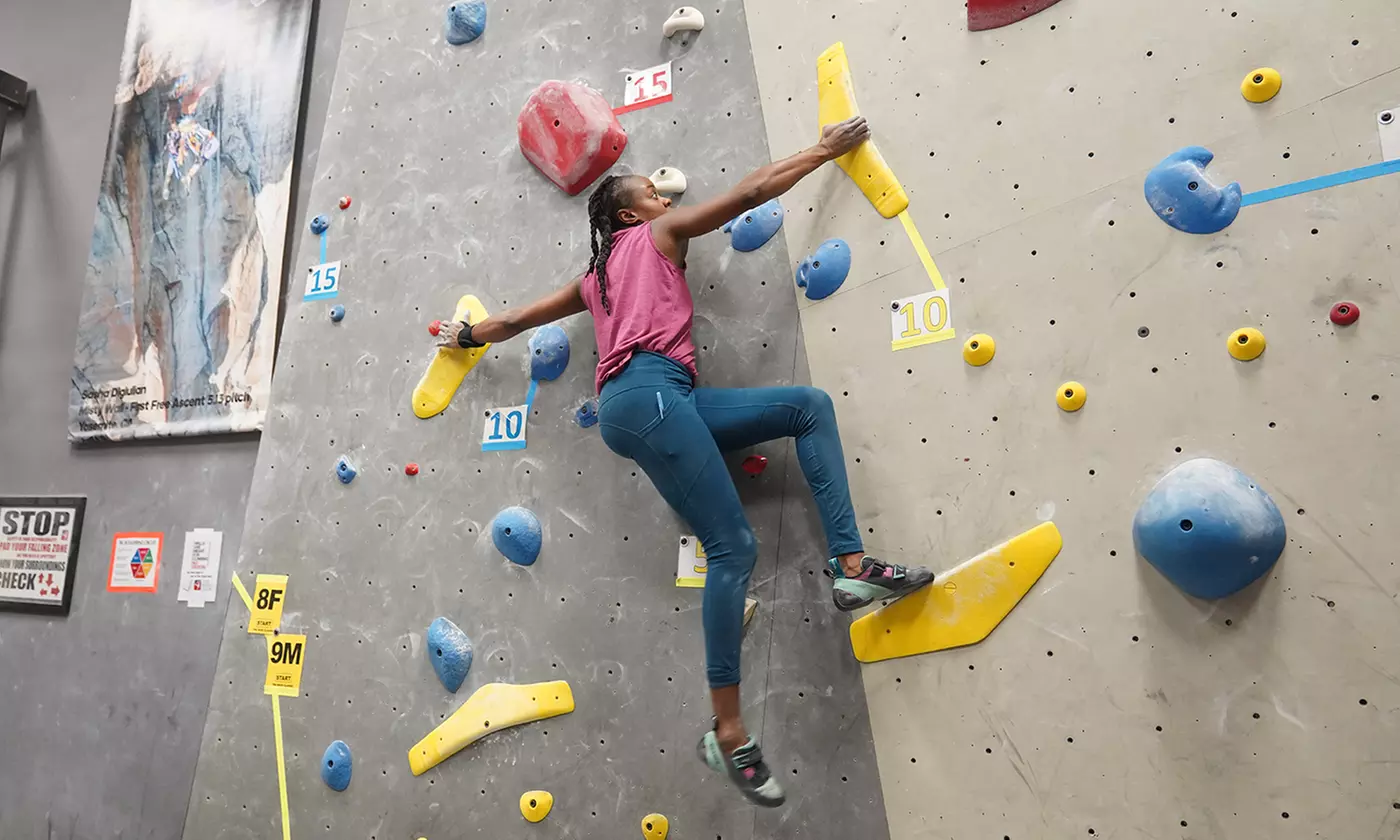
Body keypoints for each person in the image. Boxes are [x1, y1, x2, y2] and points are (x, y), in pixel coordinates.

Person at [433, 116, 933, 807]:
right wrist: (826, 148)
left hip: (653, 401)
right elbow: (751, 190)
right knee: (732, 549)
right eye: (654, 194)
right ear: (631, 214)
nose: (668, 201)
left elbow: (514, 320)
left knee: (805, 407)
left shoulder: (593, 280)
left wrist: (465, 335)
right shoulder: (656, 235)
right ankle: (728, 731)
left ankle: (851, 569)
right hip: (651, 395)